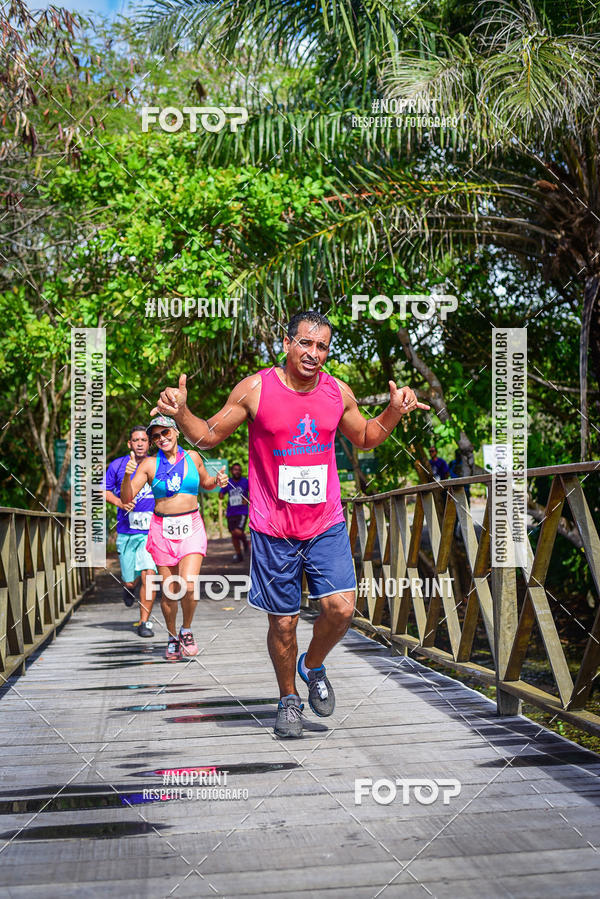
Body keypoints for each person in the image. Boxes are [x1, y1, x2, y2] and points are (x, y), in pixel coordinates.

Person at [152, 311, 429, 737]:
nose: (313, 353)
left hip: (325, 523)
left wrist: (392, 411)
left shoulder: (337, 391)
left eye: (322, 347)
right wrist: (184, 411)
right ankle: (288, 699)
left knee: (341, 609)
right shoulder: (256, 388)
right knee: (283, 622)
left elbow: (368, 436)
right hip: (272, 528)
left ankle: (312, 665)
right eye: (306, 343)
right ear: (286, 343)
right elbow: (207, 437)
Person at [121, 415, 228, 660]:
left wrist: (218, 481)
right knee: (170, 590)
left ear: (176, 432)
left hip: (191, 525)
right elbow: (128, 498)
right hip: (162, 528)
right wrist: (128, 476)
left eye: (165, 433)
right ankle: (171, 636)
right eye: (155, 436)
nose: (161, 438)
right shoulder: (148, 464)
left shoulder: (193, 457)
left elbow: (206, 483)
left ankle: (186, 629)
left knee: (188, 584)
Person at [105, 425, 158, 637]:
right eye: (135, 440)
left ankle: (144, 622)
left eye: (144, 440)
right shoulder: (118, 465)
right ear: (129, 443)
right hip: (127, 532)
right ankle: (128, 587)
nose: (139, 443)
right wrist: (120, 502)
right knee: (130, 579)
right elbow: (103, 490)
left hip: (150, 532)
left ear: (149, 443)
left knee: (149, 576)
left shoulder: (156, 464)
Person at [219, 462, 249, 561]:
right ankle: (238, 554)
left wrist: (248, 499)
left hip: (242, 512)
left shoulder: (246, 482)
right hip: (231, 512)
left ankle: (245, 542)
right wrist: (221, 494)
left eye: (239, 470)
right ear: (231, 471)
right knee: (234, 534)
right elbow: (221, 495)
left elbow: (254, 492)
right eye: (235, 469)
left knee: (237, 532)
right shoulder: (229, 482)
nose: (237, 471)